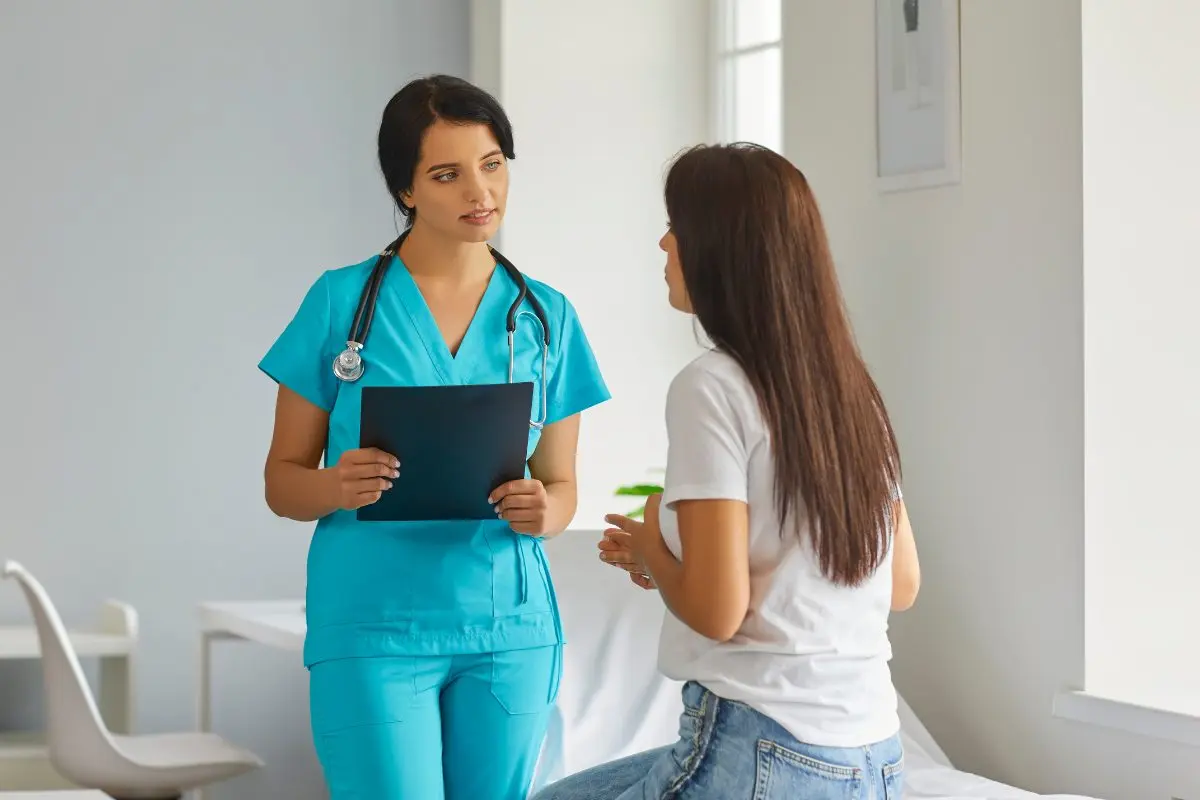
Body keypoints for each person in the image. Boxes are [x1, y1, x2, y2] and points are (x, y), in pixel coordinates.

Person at [531, 143, 920, 800]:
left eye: (676, 227)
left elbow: (717, 612)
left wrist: (657, 535)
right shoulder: (851, 390)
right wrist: (666, 558)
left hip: (764, 746)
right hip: (875, 759)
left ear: (721, 249)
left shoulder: (711, 385)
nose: (662, 243)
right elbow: (900, 584)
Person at [259, 74, 610, 799]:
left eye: (492, 164)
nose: (479, 192)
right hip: (373, 629)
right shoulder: (340, 304)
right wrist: (334, 484)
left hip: (509, 630)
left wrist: (550, 511)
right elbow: (282, 482)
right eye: (446, 175)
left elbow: (563, 483)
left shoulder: (548, 316)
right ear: (407, 189)